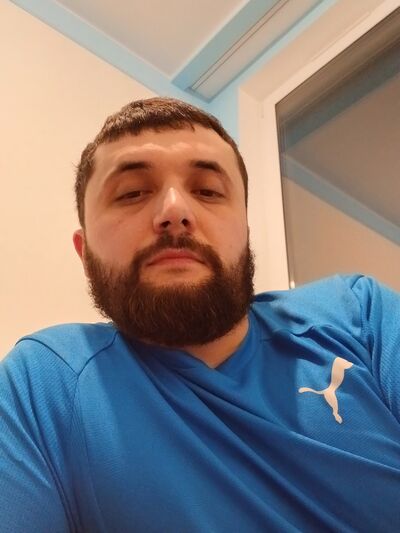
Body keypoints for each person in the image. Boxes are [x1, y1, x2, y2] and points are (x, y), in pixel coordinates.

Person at [1, 97, 399, 533]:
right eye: (132, 193)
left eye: (208, 191)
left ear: (245, 233)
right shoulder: (43, 386)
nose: (175, 211)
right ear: (85, 251)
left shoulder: (358, 314)